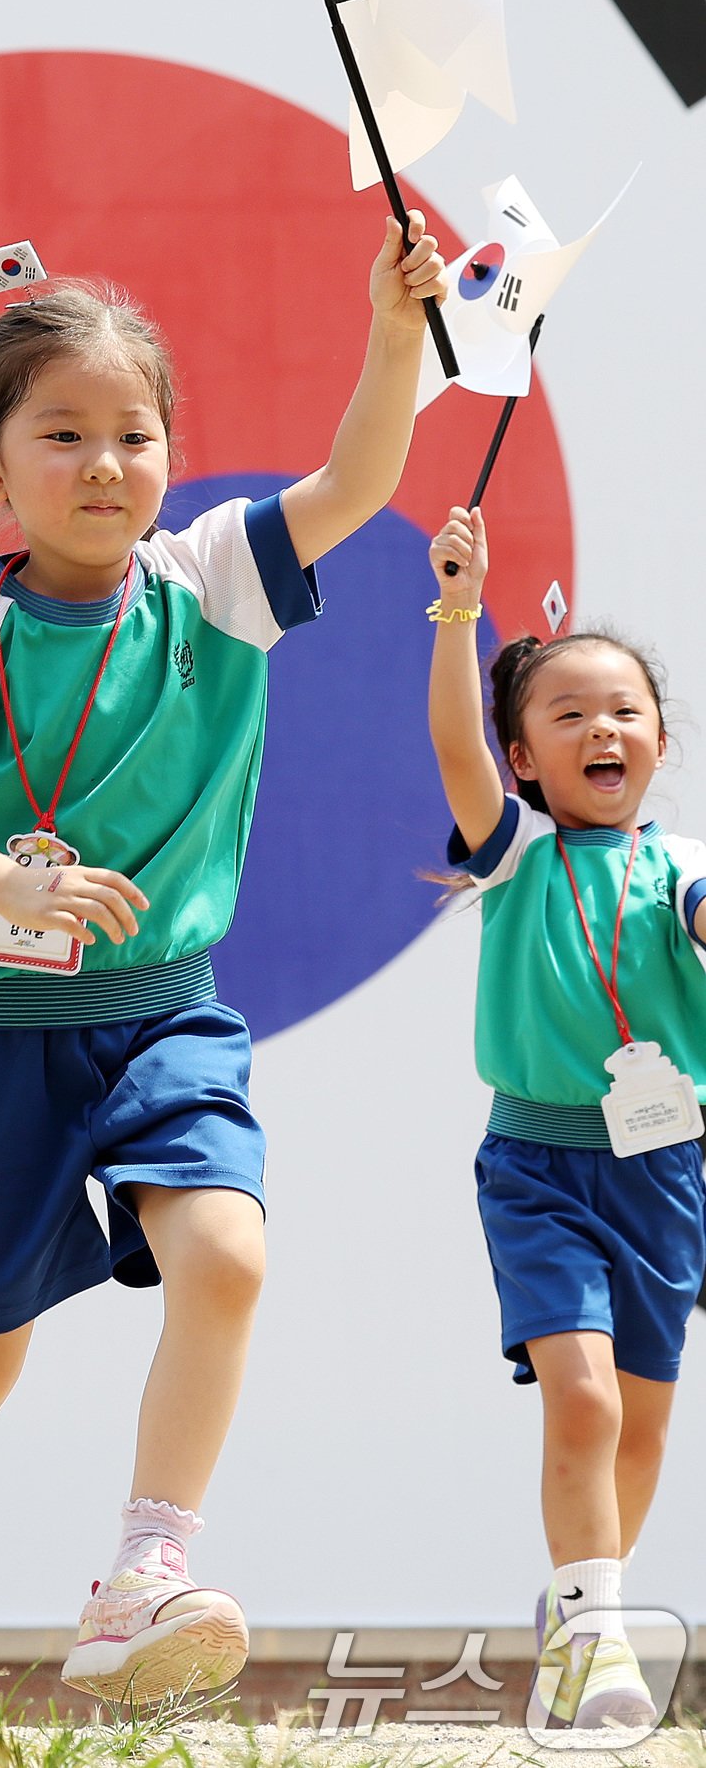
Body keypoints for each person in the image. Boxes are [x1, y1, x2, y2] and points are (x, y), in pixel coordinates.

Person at [0, 213, 447, 1746]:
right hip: (3, 1026)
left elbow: (358, 481)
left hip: (168, 1013)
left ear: (174, 452)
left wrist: (397, 329)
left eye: (135, 434)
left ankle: (145, 1574)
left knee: (226, 1254)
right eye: (64, 434)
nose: (106, 463)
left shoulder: (215, 578)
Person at [426, 503, 706, 1731]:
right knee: (581, 1400)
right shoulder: (509, 856)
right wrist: (455, 609)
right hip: (537, 1165)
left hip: (666, 1167)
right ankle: (595, 1639)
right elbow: (450, 745)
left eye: (623, 711)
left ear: (656, 744)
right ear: (525, 759)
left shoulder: (684, 864)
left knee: (638, 1424)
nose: (600, 726)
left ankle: (580, 1608)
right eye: (565, 712)